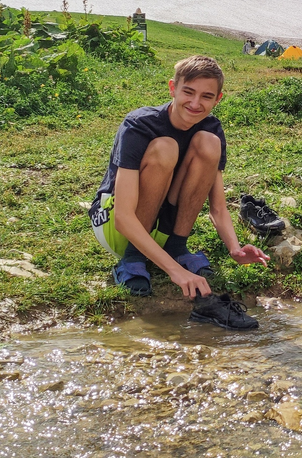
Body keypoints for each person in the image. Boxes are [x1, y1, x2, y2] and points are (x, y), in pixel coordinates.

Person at [89, 55, 268, 330]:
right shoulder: (139, 124)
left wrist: (234, 248)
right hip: (118, 228)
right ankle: (133, 258)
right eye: (188, 92)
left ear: (218, 99)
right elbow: (123, 216)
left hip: (162, 224)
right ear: (173, 88)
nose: (196, 104)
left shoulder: (211, 128)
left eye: (206, 97)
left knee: (208, 143)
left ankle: (176, 247)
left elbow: (217, 206)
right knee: (166, 147)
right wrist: (176, 272)